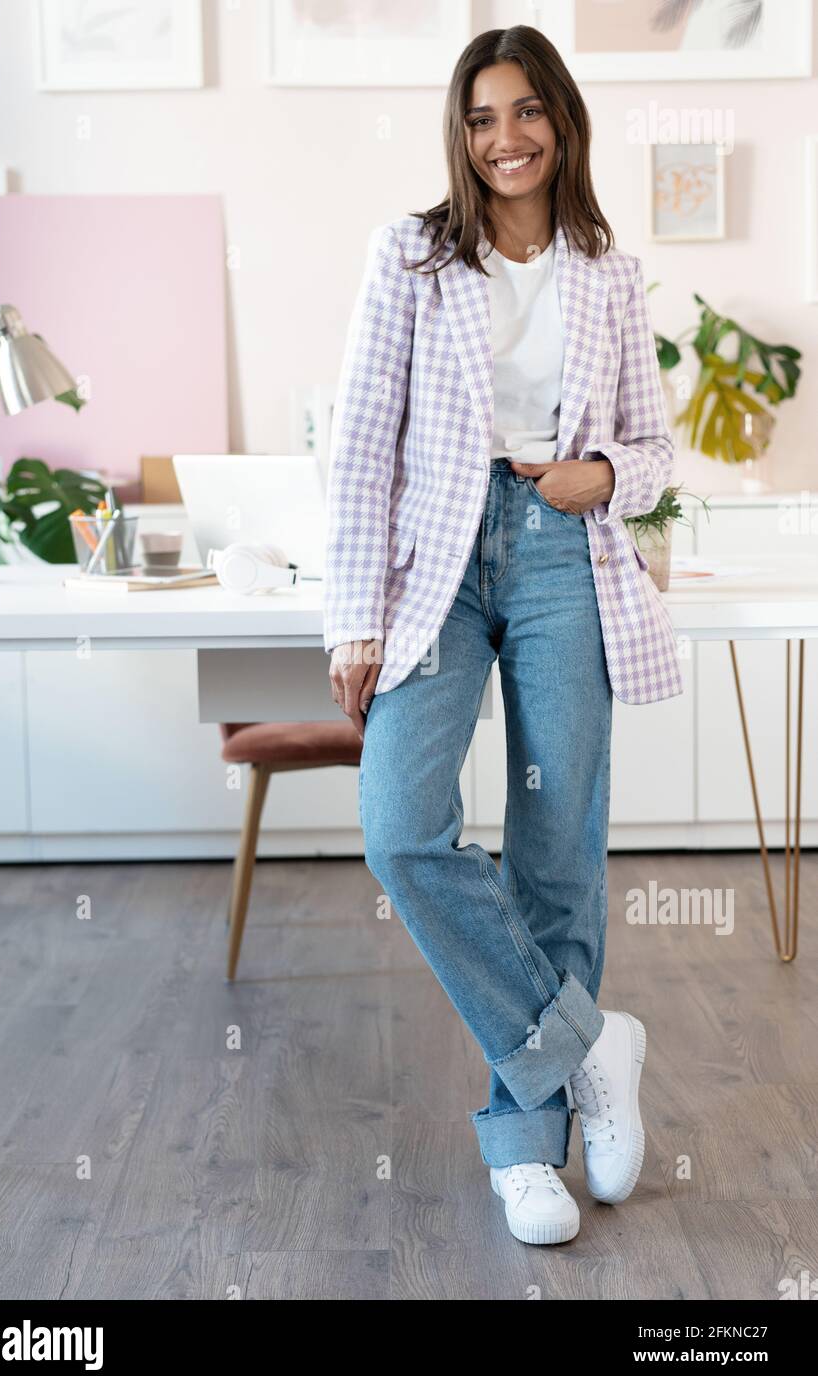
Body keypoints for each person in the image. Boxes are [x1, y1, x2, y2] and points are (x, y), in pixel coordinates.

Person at [322, 25, 682, 1246]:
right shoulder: (411, 257)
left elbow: (651, 448)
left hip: (556, 553)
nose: (504, 138)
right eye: (480, 118)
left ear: (561, 121)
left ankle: (526, 1152)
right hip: (438, 557)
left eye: (525, 112)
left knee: (553, 853)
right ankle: (590, 1046)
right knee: (397, 826)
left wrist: (599, 476)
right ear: (458, 132)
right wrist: (353, 616)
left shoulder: (608, 273)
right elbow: (363, 447)